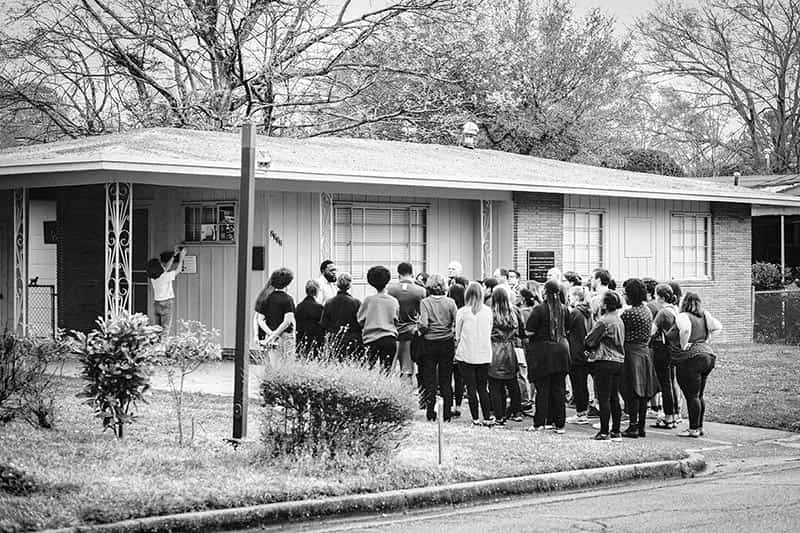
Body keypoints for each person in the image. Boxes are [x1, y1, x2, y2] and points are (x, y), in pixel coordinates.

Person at [667, 292, 722, 438]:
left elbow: (685, 329)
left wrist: (684, 345)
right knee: (699, 395)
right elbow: (717, 327)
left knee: (692, 395)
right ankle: (699, 426)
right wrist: (707, 339)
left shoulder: (683, 316)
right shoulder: (705, 315)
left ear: (684, 302)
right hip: (708, 355)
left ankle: (693, 429)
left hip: (692, 358)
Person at [525, 279, 571, 434]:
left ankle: (539, 423)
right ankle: (559, 424)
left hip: (543, 353)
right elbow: (568, 330)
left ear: (545, 292)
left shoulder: (539, 309)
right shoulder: (565, 309)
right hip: (562, 351)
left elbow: (529, 331)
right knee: (558, 390)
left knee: (542, 389)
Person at [620, 278, 659, 439]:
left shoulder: (629, 313)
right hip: (644, 352)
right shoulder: (647, 310)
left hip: (631, 353)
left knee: (632, 391)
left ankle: (633, 426)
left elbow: (621, 331)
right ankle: (641, 426)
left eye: (625, 293)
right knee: (643, 391)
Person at [584, 291, 625, 441]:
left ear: (605, 305)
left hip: (604, 360)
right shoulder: (619, 320)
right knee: (614, 397)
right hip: (619, 360)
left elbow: (589, 340)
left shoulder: (603, 321)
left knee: (603, 398)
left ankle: (603, 431)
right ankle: (616, 431)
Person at [418, 273, 458, 422]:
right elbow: (456, 321)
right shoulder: (450, 302)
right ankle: (447, 412)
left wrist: (420, 330)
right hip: (446, 341)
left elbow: (424, 324)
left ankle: (430, 411)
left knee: (430, 378)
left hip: (429, 342)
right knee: (446, 378)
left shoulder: (425, 303)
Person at [454, 282, 493, 426]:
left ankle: (475, 418)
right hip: (483, 354)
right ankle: (487, 417)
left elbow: (457, 335)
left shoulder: (462, 312)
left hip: (466, 353)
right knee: (483, 388)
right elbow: (489, 329)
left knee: (471, 388)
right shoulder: (488, 311)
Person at [488, 287, 523, 425]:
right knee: (512, 382)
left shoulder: (490, 313)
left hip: (494, 349)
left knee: (495, 385)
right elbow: (521, 331)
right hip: (510, 348)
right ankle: (517, 410)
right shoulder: (514, 312)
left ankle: (498, 414)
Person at [387, 262, 426, 384]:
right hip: (410, 333)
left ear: (398, 274)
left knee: (388, 371)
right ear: (412, 273)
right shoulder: (420, 291)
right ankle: (405, 398)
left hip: (392, 332)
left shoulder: (390, 289)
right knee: (407, 370)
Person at [357, 266, 399, 371]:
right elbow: (396, 319)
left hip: (371, 340)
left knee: (369, 371)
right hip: (389, 338)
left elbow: (360, 319)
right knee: (386, 371)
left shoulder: (368, 300)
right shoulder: (393, 301)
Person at [650, 283, 680, 429]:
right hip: (673, 350)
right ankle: (674, 415)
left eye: (656, 295)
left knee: (665, 384)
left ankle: (668, 417)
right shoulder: (675, 310)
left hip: (662, 350)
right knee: (671, 381)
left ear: (661, 297)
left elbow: (651, 331)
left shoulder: (662, 313)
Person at [254, 268, 296, 364]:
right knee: (286, 366)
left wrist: (271, 335)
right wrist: (276, 334)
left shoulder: (265, 298)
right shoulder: (288, 299)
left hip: (269, 334)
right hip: (285, 336)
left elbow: (259, 320)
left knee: (273, 364)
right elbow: (287, 321)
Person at [566, 286, 593, 425]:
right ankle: (583, 412)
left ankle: (581, 413)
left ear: (576, 297)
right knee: (583, 384)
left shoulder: (575, 312)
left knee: (578, 384)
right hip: (585, 351)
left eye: (571, 296)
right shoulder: (588, 312)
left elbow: (567, 330)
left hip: (575, 351)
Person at [320, 272, 362, 358]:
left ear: (338, 284)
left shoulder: (329, 303)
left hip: (334, 339)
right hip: (352, 339)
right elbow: (360, 322)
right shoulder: (356, 303)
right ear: (350, 285)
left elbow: (323, 323)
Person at [148, 246, 187, 334]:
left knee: (157, 329)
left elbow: (166, 269)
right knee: (165, 329)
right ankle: (163, 345)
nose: (162, 265)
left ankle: (156, 345)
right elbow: (178, 270)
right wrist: (181, 258)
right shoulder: (165, 276)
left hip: (157, 303)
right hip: (166, 303)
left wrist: (174, 255)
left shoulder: (154, 277)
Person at [295, 280, 325, 358]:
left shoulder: (299, 307)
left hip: (301, 339)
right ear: (317, 291)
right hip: (316, 341)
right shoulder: (319, 308)